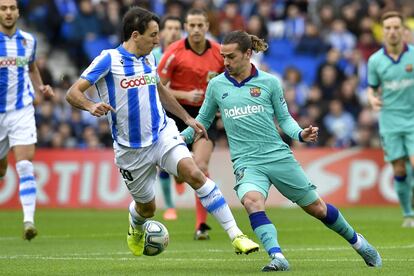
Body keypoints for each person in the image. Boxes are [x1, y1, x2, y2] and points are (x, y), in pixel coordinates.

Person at [65, 7, 259, 257]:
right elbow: (73, 93)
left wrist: (187, 117)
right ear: (136, 35)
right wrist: (91, 105)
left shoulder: (149, 58)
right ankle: (135, 226)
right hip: (130, 149)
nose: (158, 40)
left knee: (195, 174)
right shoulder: (108, 59)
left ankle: (237, 235)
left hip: (162, 134)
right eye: (153, 35)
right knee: (147, 209)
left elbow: (160, 89)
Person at [181, 30, 382, 272]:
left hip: (278, 156)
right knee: (252, 201)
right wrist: (177, 140)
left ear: (248, 53)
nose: (226, 62)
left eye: (231, 56)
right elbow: (202, 121)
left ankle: (359, 243)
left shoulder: (270, 82)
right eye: (223, 56)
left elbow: (285, 119)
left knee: (317, 208)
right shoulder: (216, 85)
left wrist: (299, 134)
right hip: (247, 161)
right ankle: (277, 257)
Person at [157, 8, 224, 239]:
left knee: (201, 165)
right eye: (192, 25)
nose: (196, 29)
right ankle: (177, 176)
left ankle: (201, 225)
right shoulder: (173, 52)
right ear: (187, 27)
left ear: (207, 27)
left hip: (205, 117)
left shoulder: (219, 53)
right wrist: (184, 96)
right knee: (180, 169)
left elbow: (230, 82)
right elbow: (158, 88)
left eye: (200, 25)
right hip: (176, 115)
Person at [0, 0, 54, 241]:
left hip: (21, 110)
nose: (8, 12)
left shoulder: (28, 41)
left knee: (24, 165)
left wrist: (40, 86)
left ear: (18, 12)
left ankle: (29, 221)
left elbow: (32, 68)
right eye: (3, 8)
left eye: (12, 8)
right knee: (2, 169)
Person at [367, 11, 414, 228]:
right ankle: (408, 214)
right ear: (383, 32)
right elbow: (372, 89)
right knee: (399, 170)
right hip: (390, 121)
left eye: (396, 27)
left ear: (404, 30)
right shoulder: (375, 60)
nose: (392, 32)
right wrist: (372, 100)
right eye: (388, 28)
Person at [152, 15, 183, 221]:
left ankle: (180, 177)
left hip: (183, 112)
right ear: (162, 32)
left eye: (176, 28)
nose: (172, 32)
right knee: (162, 163)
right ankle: (170, 206)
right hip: (161, 112)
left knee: (183, 162)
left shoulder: (185, 55)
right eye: (169, 27)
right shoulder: (153, 55)